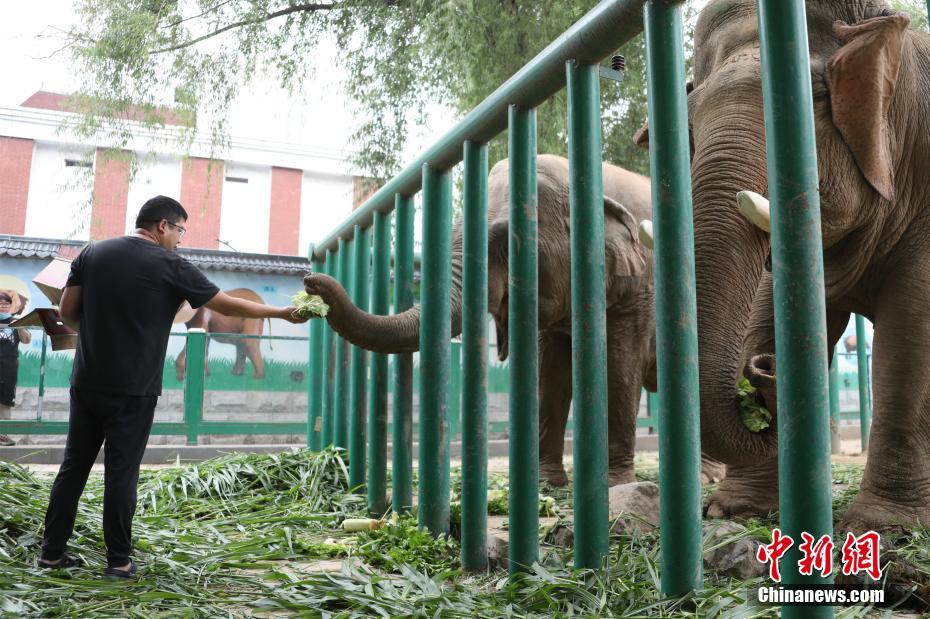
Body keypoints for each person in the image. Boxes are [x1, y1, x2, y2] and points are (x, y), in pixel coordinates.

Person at [38, 195, 307, 577]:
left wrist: (101, 335)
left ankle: (50, 555)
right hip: (134, 389)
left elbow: (67, 312)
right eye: (180, 229)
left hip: (87, 381)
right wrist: (281, 312)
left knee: (73, 468)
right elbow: (227, 306)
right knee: (121, 474)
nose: (181, 238)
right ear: (163, 226)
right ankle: (118, 561)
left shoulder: (91, 253)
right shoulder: (171, 264)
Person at [0, 291, 32, 446]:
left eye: (6, 303)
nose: (3, 306)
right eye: (0, 303)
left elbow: (26, 340)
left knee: (5, 402)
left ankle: (3, 435)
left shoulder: (15, 321)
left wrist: (20, 326)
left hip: (8, 369)